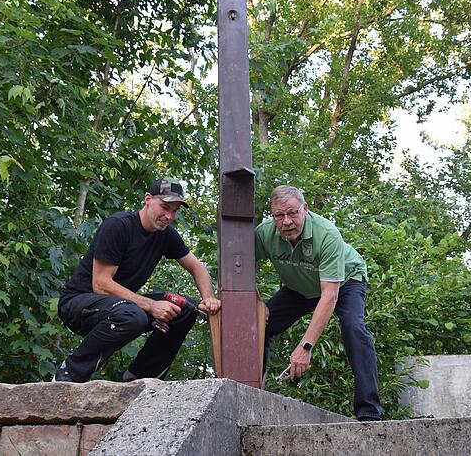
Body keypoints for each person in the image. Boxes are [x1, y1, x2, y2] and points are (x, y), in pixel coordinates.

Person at [55, 177, 220, 383]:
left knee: (184, 309)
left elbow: (197, 267)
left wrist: (209, 298)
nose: (169, 216)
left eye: (175, 211)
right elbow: (101, 284)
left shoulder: (166, 235)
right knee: (133, 316)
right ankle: (69, 374)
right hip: (79, 304)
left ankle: (139, 380)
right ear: (148, 199)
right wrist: (151, 305)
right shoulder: (118, 226)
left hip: (121, 305)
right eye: (165, 207)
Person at [255, 185, 382, 421]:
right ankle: (253, 393)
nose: (286, 222)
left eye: (293, 213)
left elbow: (329, 295)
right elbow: (238, 268)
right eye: (279, 216)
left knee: (353, 328)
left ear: (305, 208)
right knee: (258, 325)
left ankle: (369, 412)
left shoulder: (327, 234)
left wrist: (305, 347)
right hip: (299, 288)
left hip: (344, 282)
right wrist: (256, 300)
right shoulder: (263, 234)